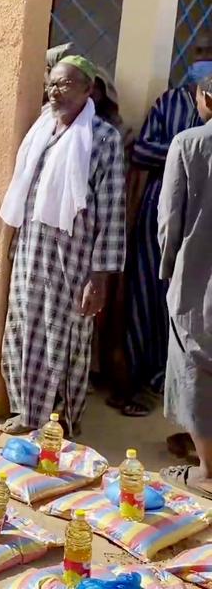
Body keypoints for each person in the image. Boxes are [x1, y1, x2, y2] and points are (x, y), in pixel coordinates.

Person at [0, 56, 126, 436]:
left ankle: (60, 423)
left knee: (64, 339)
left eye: (66, 84)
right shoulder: (41, 129)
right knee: (22, 331)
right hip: (31, 253)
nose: (56, 91)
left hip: (72, 261)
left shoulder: (103, 138)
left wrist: (99, 278)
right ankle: (26, 412)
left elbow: (113, 213)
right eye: (52, 84)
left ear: (89, 90)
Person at [119, 38, 210, 417]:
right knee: (145, 295)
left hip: (201, 225)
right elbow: (140, 151)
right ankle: (135, 381)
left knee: (189, 308)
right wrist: (181, 149)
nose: (205, 60)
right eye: (201, 54)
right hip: (160, 214)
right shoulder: (168, 103)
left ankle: (168, 384)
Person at [157, 73, 212, 499]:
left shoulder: (189, 144)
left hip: (197, 277)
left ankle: (206, 473)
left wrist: (167, 268)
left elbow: (169, 220)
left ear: (205, 98)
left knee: (195, 368)